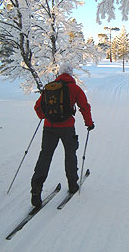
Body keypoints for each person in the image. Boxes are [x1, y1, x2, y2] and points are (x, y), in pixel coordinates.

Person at [31, 62, 94, 207]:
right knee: (70, 154)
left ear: (59, 73)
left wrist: (45, 116)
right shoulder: (75, 88)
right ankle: (72, 184)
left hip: (49, 127)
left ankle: (36, 190)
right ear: (71, 74)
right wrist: (89, 123)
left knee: (45, 156)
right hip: (67, 128)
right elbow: (84, 107)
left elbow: (37, 107)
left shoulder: (50, 88)